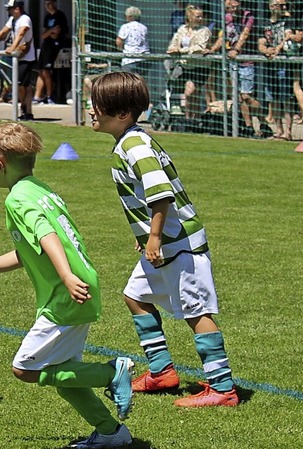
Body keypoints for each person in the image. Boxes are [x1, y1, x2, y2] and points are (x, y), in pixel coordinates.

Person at [0, 122, 134, 449]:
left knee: (25, 369)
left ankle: (110, 372)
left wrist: (64, 277)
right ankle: (110, 432)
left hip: (67, 293)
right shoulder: (39, 189)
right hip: (81, 285)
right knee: (65, 374)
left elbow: (46, 235)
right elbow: (30, 252)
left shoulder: (18, 199)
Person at [89, 72, 240, 408]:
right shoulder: (129, 141)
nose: (91, 111)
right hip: (162, 244)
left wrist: (154, 235)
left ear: (123, 114)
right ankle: (162, 372)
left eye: (98, 106)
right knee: (135, 296)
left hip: (180, 244)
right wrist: (147, 236)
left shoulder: (135, 145)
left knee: (196, 311)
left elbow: (161, 194)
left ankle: (223, 388)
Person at [207, 0, 264, 138]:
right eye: (228, 5)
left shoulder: (249, 17)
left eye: (234, 4)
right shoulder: (226, 18)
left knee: (246, 96)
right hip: (233, 62)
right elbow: (224, 37)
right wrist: (212, 49)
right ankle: (248, 126)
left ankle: (264, 120)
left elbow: (245, 34)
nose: (232, 7)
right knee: (238, 97)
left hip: (246, 61)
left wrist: (236, 50)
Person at [0, 0, 36, 121]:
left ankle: (25, 109)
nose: (9, 11)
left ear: (17, 9)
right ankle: (26, 110)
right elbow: (2, 33)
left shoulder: (24, 19)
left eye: (10, 9)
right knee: (20, 85)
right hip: (18, 56)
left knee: (21, 85)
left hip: (26, 58)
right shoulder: (13, 20)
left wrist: (12, 47)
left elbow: (21, 34)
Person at [167, 5, 211, 129]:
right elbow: (174, 43)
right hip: (185, 66)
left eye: (201, 16)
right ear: (189, 17)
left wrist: (181, 51)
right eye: (197, 16)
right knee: (190, 95)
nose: (200, 18)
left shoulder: (204, 30)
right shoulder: (182, 29)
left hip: (200, 66)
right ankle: (189, 120)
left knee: (191, 93)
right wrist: (172, 49)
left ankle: (195, 120)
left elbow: (200, 47)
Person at [258, 0, 296, 141]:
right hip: (269, 66)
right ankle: (278, 130)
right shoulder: (264, 24)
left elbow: (287, 35)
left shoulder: (288, 21)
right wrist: (266, 50)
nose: (284, 8)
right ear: (272, 7)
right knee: (272, 99)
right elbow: (260, 43)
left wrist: (278, 49)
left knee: (286, 99)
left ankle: (288, 131)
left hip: (283, 65)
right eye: (281, 5)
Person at [33, 0, 68, 105]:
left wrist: (50, 32)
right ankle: (37, 96)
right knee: (41, 71)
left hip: (56, 47)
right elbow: (43, 35)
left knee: (46, 71)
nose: (47, 6)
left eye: (49, 3)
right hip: (46, 46)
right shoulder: (47, 17)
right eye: (45, 4)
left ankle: (49, 96)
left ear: (54, 3)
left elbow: (56, 34)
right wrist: (50, 31)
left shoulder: (60, 16)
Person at [116, 7, 151, 78]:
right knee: (140, 82)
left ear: (130, 16)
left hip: (130, 59)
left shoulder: (125, 27)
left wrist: (121, 49)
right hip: (143, 59)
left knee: (129, 82)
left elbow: (119, 41)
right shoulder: (144, 27)